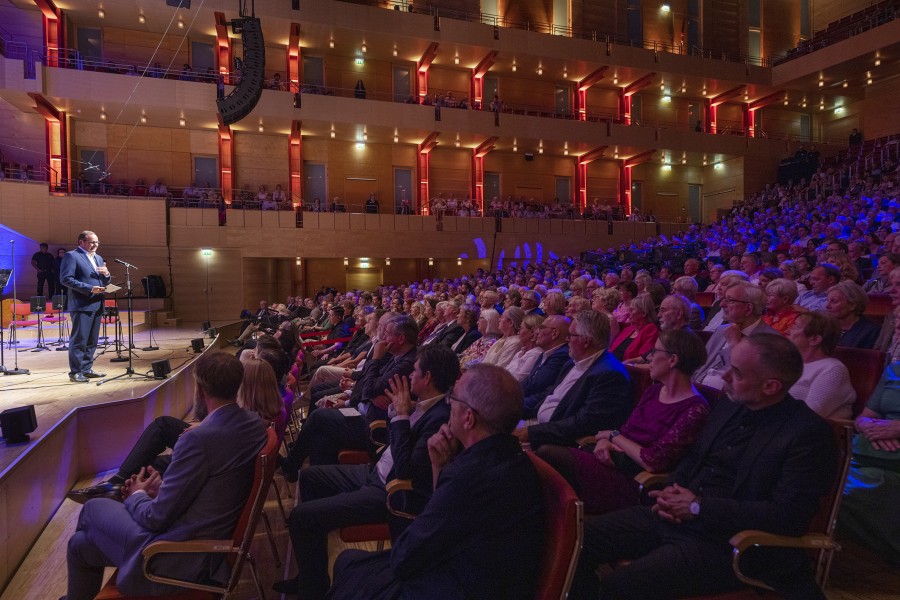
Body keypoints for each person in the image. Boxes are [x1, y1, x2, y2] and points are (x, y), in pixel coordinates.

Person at [570, 334, 838, 600]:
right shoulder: (728, 407)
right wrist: (671, 491)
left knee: (622, 585)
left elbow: (788, 515)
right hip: (676, 517)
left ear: (771, 386)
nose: (724, 376)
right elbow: (694, 459)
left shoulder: (807, 434)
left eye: (736, 372)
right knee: (575, 538)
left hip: (729, 542)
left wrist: (698, 507)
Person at [325, 364, 545, 600]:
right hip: (467, 567)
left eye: (454, 398)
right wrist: (439, 467)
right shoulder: (511, 458)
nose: (448, 403)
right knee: (348, 561)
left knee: (349, 570)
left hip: (457, 584)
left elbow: (405, 557)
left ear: (468, 418)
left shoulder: (469, 475)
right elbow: (450, 525)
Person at [64, 352, 268, 599]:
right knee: (79, 546)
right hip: (203, 543)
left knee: (93, 508)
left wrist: (137, 495)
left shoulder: (198, 439)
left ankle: (133, 576)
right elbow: (214, 487)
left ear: (200, 389)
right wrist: (159, 491)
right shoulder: (254, 424)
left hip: (177, 556)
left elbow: (156, 518)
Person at [273, 345, 460, 599]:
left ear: (427, 378)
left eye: (415, 371)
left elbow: (406, 470)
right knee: (309, 477)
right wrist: (399, 412)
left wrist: (401, 416)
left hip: (390, 491)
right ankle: (313, 578)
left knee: (301, 518)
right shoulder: (424, 403)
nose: (410, 376)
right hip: (376, 471)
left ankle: (312, 591)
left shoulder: (440, 417)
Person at [537, 329, 710, 514]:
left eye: (655, 352)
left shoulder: (695, 409)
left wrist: (612, 437)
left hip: (634, 478)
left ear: (672, 360)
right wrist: (606, 440)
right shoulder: (653, 391)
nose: (649, 358)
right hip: (613, 459)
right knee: (544, 463)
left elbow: (653, 460)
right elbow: (626, 430)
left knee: (547, 454)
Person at [514, 310, 632, 449]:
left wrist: (530, 433)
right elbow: (548, 394)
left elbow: (582, 423)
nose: (566, 339)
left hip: (554, 438)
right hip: (537, 423)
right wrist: (513, 407)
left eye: (571, 335)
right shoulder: (572, 362)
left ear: (586, 340)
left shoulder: (610, 375)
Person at [839, 360, 900, 564]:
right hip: (870, 448)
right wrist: (870, 427)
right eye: (895, 325)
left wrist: (897, 429)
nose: (898, 326)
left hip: (891, 459)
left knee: (843, 488)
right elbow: (863, 418)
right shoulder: (894, 369)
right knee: (818, 478)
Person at [59, 231, 111, 383]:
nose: (95, 245)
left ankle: (86, 369)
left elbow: (103, 281)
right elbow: (66, 279)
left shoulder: (98, 258)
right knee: (79, 340)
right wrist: (89, 288)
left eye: (97, 242)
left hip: (97, 303)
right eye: (91, 242)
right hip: (82, 304)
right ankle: (75, 372)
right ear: (81, 242)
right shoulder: (72, 256)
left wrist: (107, 275)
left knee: (92, 341)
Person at [786, 311, 855, 420]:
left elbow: (809, 415)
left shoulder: (832, 369)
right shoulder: (788, 362)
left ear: (815, 339)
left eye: (795, 326)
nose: (788, 330)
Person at [826, 280, 880, 349]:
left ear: (852, 305)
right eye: (827, 300)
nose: (827, 306)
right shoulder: (825, 327)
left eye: (834, 301)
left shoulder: (871, 332)